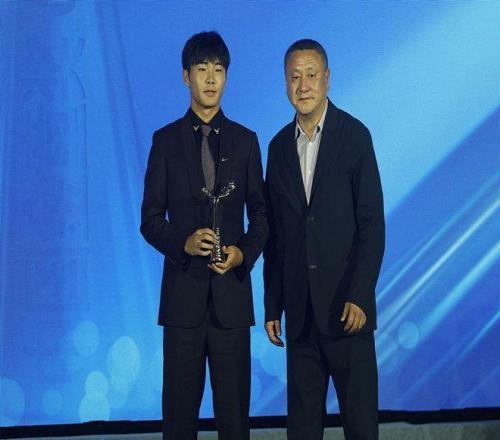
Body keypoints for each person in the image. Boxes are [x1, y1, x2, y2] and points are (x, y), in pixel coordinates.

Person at [140, 31, 267, 440]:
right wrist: (184, 242)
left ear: (226, 77)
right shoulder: (165, 141)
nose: (211, 78)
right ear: (185, 76)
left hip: (232, 302)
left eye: (218, 70)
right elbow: (150, 219)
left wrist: (241, 254)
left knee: (235, 423)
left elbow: (261, 216)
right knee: (179, 423)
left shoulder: (246, 141)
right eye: (201, 69)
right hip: (183, 304)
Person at [263, 39, 385, 440]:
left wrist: (360, 295)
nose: (303, 85)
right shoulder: (278, 148)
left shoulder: (355, 137)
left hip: (348, 312)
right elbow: (276, 237)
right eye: (294, 77)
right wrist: (273, 304)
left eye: (311, 75)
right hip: (300, 317)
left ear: (327, 79)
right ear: (285, 83)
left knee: (361, 429)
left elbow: (372, 226)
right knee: (301, 431)